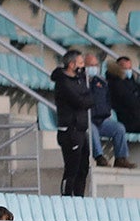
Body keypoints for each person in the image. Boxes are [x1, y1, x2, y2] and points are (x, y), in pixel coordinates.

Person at [51, 49, 92, 197]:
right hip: (69, 130)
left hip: (81, 129)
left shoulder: (79, 79)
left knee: (83, 167)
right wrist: (84, 100)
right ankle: (66, 197)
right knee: (72, 168)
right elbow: (79, 101)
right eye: (80, 63)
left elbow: (89, 98)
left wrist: (85, 99)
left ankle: (79, 197)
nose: (83, 66)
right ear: (71, 64)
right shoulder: (63, 82)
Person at [83, 52, 132, 170]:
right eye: (91, 65)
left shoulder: (101, 82)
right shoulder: (80, 83)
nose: (94, 68)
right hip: (88, 120)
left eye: (96, 65)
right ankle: (99, 157)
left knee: (119, 128)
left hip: (102, 119)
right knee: (92, 130)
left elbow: (107, 100)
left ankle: (120, 158)